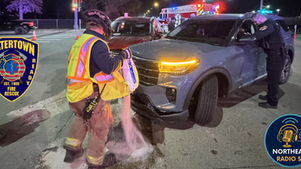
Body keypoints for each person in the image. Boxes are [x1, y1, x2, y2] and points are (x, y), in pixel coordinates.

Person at [63, 9, 131, 169]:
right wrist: (123, 56)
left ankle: (72, 149)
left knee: (81, 118)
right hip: (90, 95)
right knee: (99, 128)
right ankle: (96, 162)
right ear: (104, 28)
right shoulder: (97, 43)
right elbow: (108, 67)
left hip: (75, 93)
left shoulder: (81, 41)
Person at [252, 12, 286, 109]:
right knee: (271, 78)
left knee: (273, 80)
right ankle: (269, 96)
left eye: (255, 21)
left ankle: (272, 103)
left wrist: (247, 34)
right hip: (275, 55)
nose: (255, 23)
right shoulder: (271, 24)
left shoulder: (269, 26)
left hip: (276, 56)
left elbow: (257, 36)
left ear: (260, 18)